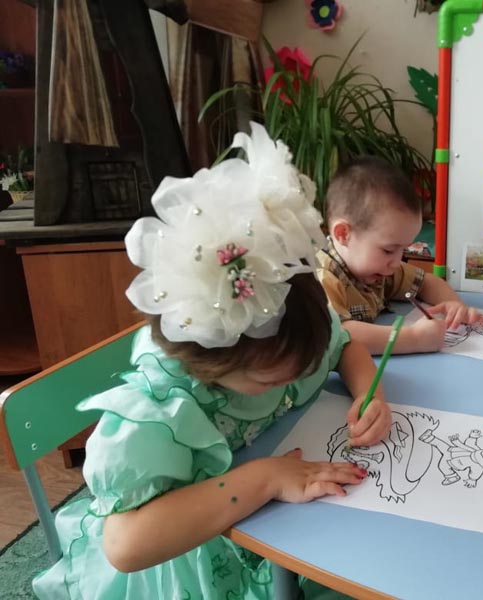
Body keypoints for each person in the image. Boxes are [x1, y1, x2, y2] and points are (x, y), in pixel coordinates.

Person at [32, 123, 392, 600]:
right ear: (211, 363)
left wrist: (369, 391)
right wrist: (266, 477)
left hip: (279, 529)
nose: (298, 376)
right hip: (198, 560)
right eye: (274, 379)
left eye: (303, 367)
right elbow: (125, 545)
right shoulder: (161, 411)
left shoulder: (282, 336)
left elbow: (344, 346)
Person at [316, 156, 483, 355]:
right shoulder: (321, 277)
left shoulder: (380, 267)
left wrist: (453, 305)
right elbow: (338, 335)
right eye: (388, 250)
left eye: (403, 249)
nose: (397, 262)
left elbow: (426, 282)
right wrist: (414, 338)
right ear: (343, 234)